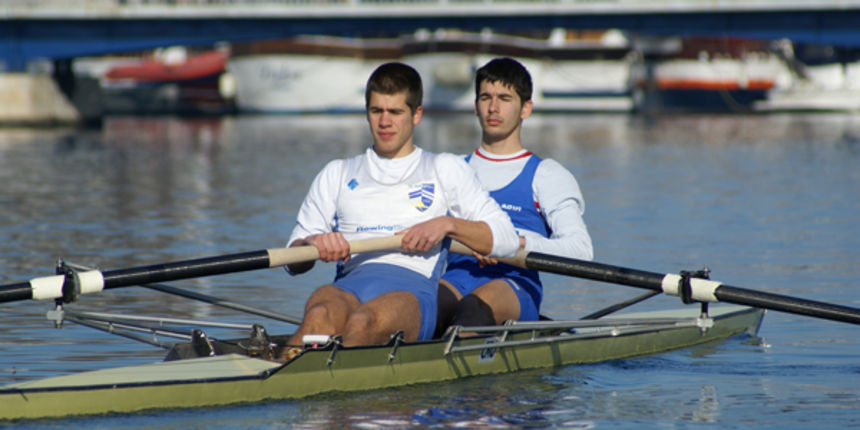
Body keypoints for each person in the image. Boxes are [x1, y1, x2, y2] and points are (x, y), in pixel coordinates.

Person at [284, 62, 519, 352]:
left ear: (416, 114)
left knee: (363, 322)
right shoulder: (337, 173)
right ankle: (275, 381)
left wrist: (448, 225)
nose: (384, 122)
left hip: (412, 292)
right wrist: (311, 242)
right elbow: (292, 262)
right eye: (376, 111)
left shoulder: (444, 169)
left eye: (395, 112)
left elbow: (506, 239)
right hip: (349, 286)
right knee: (318, 316)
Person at [436, 57, 593, 336]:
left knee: (472, 310)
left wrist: (506, 243)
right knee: (422, 306)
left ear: (526, 108)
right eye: (486, 97)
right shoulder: (452, 169)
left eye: (505, 98)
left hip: (514, 284)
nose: (493, 108)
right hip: (455, 280)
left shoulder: (547, 175)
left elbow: (580, 251)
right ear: (475, 106)